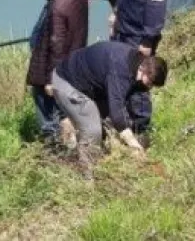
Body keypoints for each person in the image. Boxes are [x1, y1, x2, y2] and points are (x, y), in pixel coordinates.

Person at [50, 40, 169, 174]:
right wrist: (134, 145)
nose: (150, 87)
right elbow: (118, 114)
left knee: (109, 126)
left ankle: (102, 160)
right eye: (151, 83)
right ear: (144, 70)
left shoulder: (137, 65)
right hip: (68, 83)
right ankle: (88, 177)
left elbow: (118, 111)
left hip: (92, 86)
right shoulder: (120, 70)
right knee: (92, 130)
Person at [110, 0, 168, 136]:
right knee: (120, 78)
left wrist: (147, 42)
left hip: (138, 39)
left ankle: (141, 129)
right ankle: (122, 123)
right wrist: (115, 16)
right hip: (122, 34)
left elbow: (156, 11)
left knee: (139, 84)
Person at [26, 0, 89, 146]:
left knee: (48, 106)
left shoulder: (57, 7)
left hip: (51, 67)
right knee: (64, 107)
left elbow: (57, 45)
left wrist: (49, 79)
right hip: (74, 61)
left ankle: (54, 146)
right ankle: (68, 140)